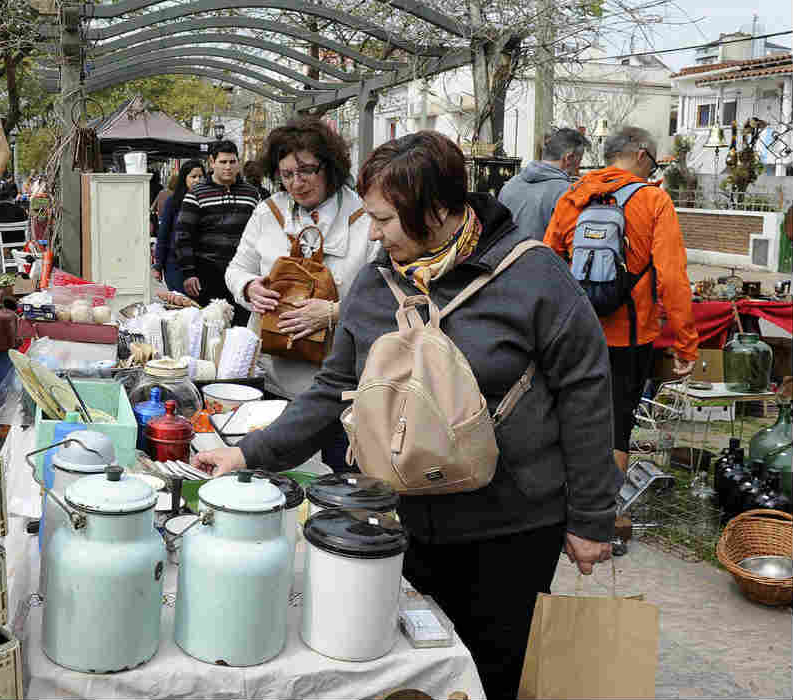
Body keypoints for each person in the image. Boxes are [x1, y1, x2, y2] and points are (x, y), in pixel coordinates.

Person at [195, 131, 617, 699]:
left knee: (490, 673)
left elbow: (586, 392)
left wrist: (590, 517)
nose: (373, 233)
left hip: (511, 528)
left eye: (386, 220)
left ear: (437, 209)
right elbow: (332, 392)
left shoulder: (533, 277)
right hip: (400, 521)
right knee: (403, 674)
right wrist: (248, 453)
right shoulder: (375, 284)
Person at [224, 116, 378, 471]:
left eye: (307, 170)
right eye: (287, 174)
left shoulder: (365, 218)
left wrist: (333, 312)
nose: (297, 183)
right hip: (273, 377)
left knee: (340, 481)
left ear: (330, 166)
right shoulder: (267, 213)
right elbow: (236, 270)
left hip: (341, 387)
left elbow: (381, 298)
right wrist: (249, 288)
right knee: (271, 477)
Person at [545, 125, 699, 476]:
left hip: (577, 332)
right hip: (630, 335)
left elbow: (547, 265)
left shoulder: (574, 196)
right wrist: (686, 344)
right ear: (642, 155)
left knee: (573, 418)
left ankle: (568, 504)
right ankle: (605, 516)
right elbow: (673, 278)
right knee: (617, 426)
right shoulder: (654, 200)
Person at [174, 140, 260, 324]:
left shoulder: (252, 194)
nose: (228, 167)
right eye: (223, 162)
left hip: (242, 272)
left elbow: (261, 234)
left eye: (232, 162)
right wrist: (189, 273)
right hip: (207, 273)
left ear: (238, 162)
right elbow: (183, 235)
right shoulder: (196, 193)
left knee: (242, 329)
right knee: (209, 329)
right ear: (212, 163)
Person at [498, 127, 589, 239]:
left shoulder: (510, 185)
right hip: (545, 255)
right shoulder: (566, 193)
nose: (578, 168)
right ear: (569, 158)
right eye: (579, 160)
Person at [153, 160, 204, 293]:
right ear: (184, 179)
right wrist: (158, 265)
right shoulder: (173, 201)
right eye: (193, 177)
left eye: (200, 176)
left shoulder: (206, 201)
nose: (197, 180)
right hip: (175, 264)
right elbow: (163, 233)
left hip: (201, 264)